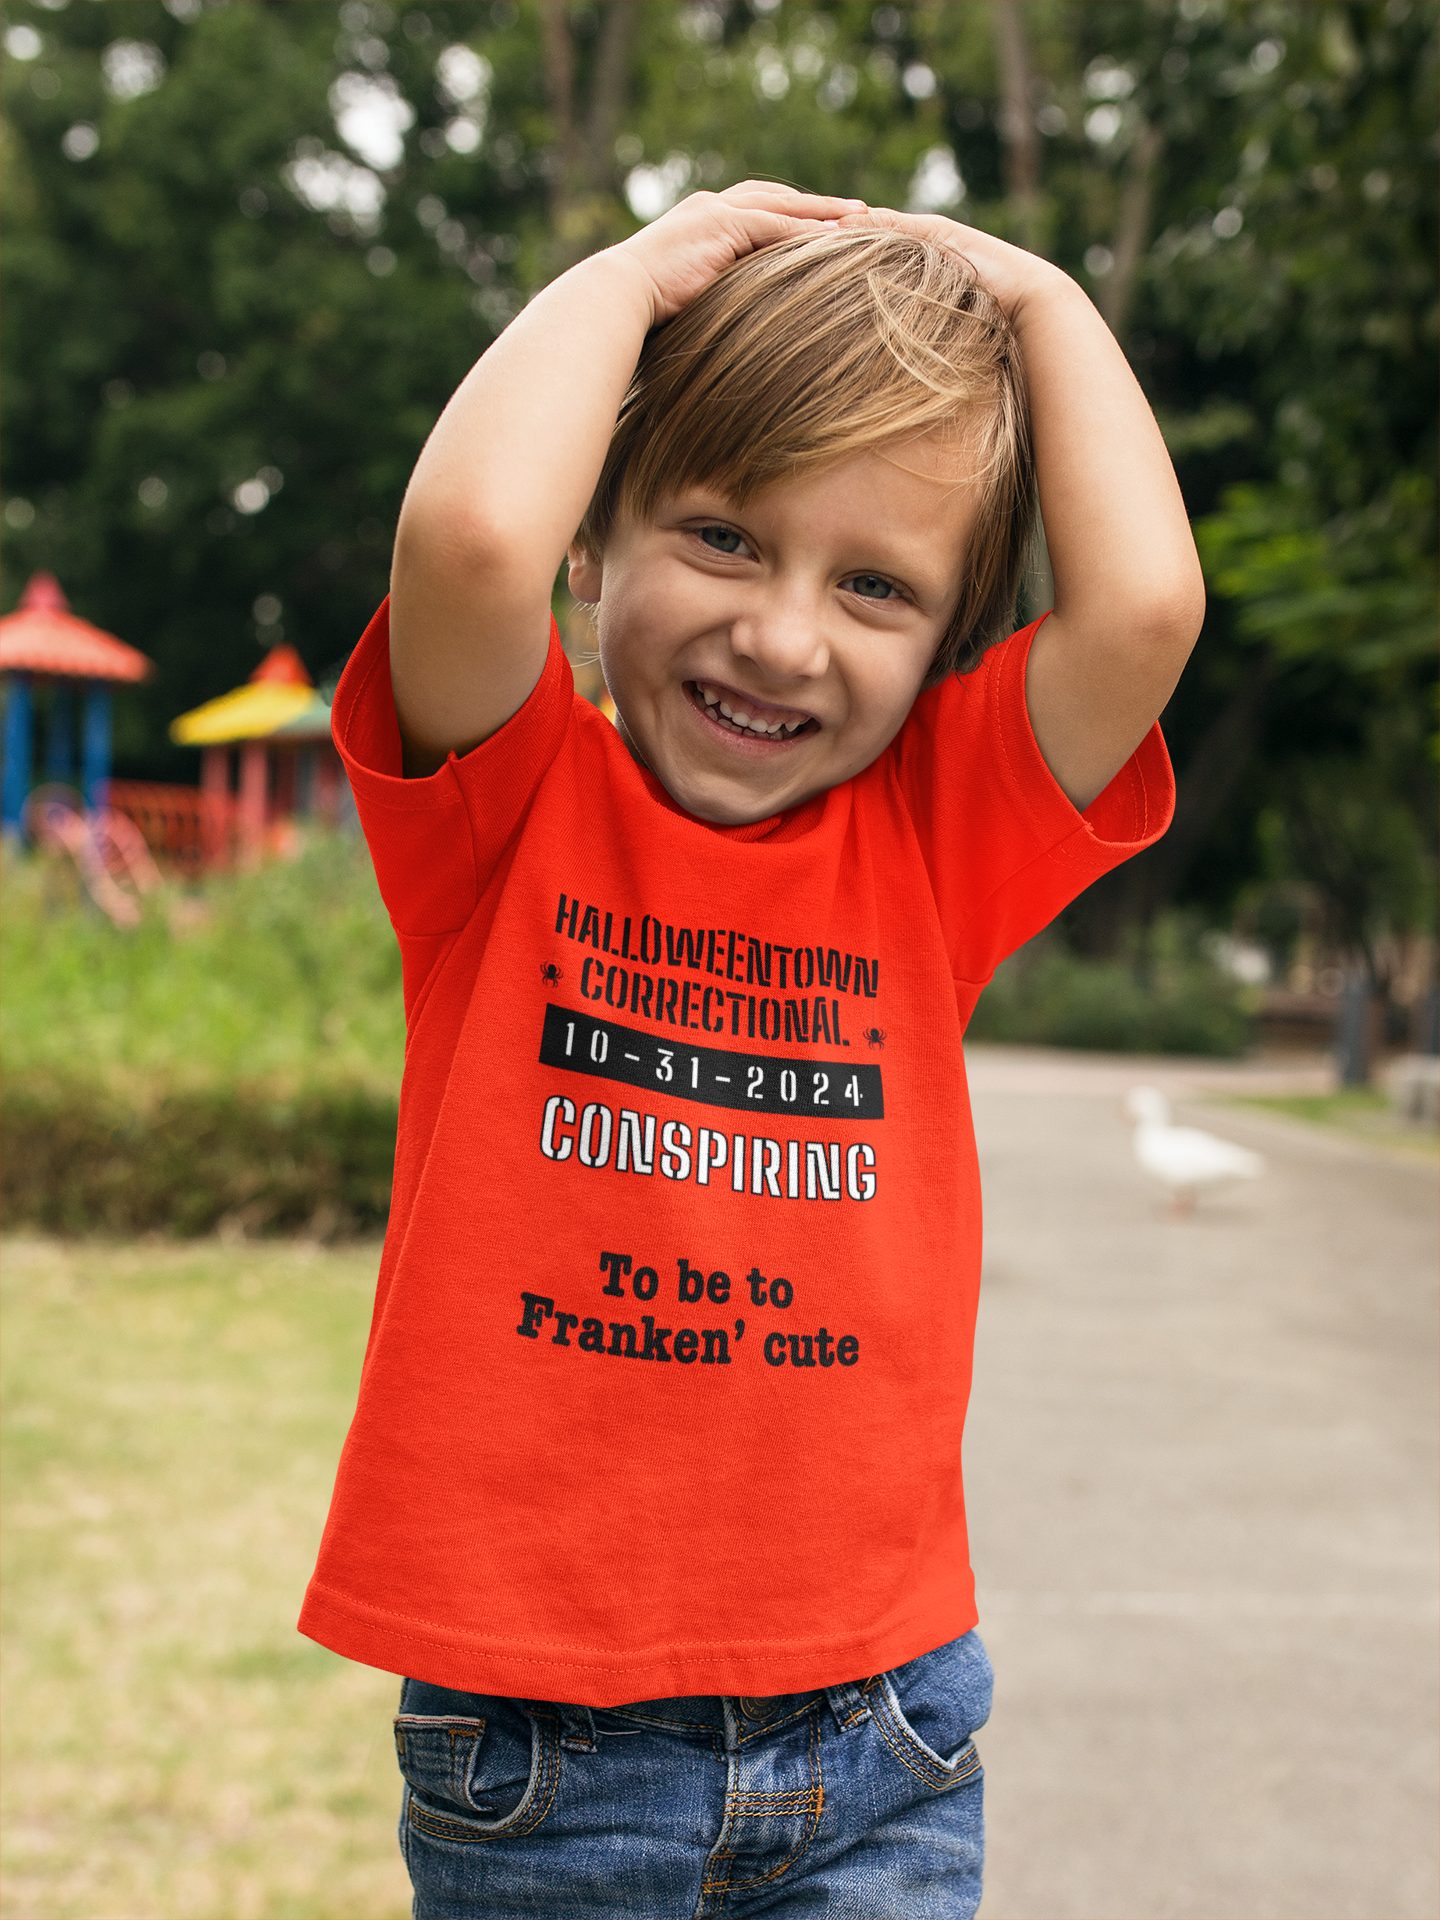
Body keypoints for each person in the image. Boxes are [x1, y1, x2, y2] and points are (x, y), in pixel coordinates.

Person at [299, 183, 1203, 1918]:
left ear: (946, 648)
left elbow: (1147, 607)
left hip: (887, 1736)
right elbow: (471, 538)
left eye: (876, 584)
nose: (784, 635)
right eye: (723, 536)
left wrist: (1036, 297)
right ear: (597, 547)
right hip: (556, 1765)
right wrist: (639, 274)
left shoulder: (940, 842)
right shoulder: (502, 804)